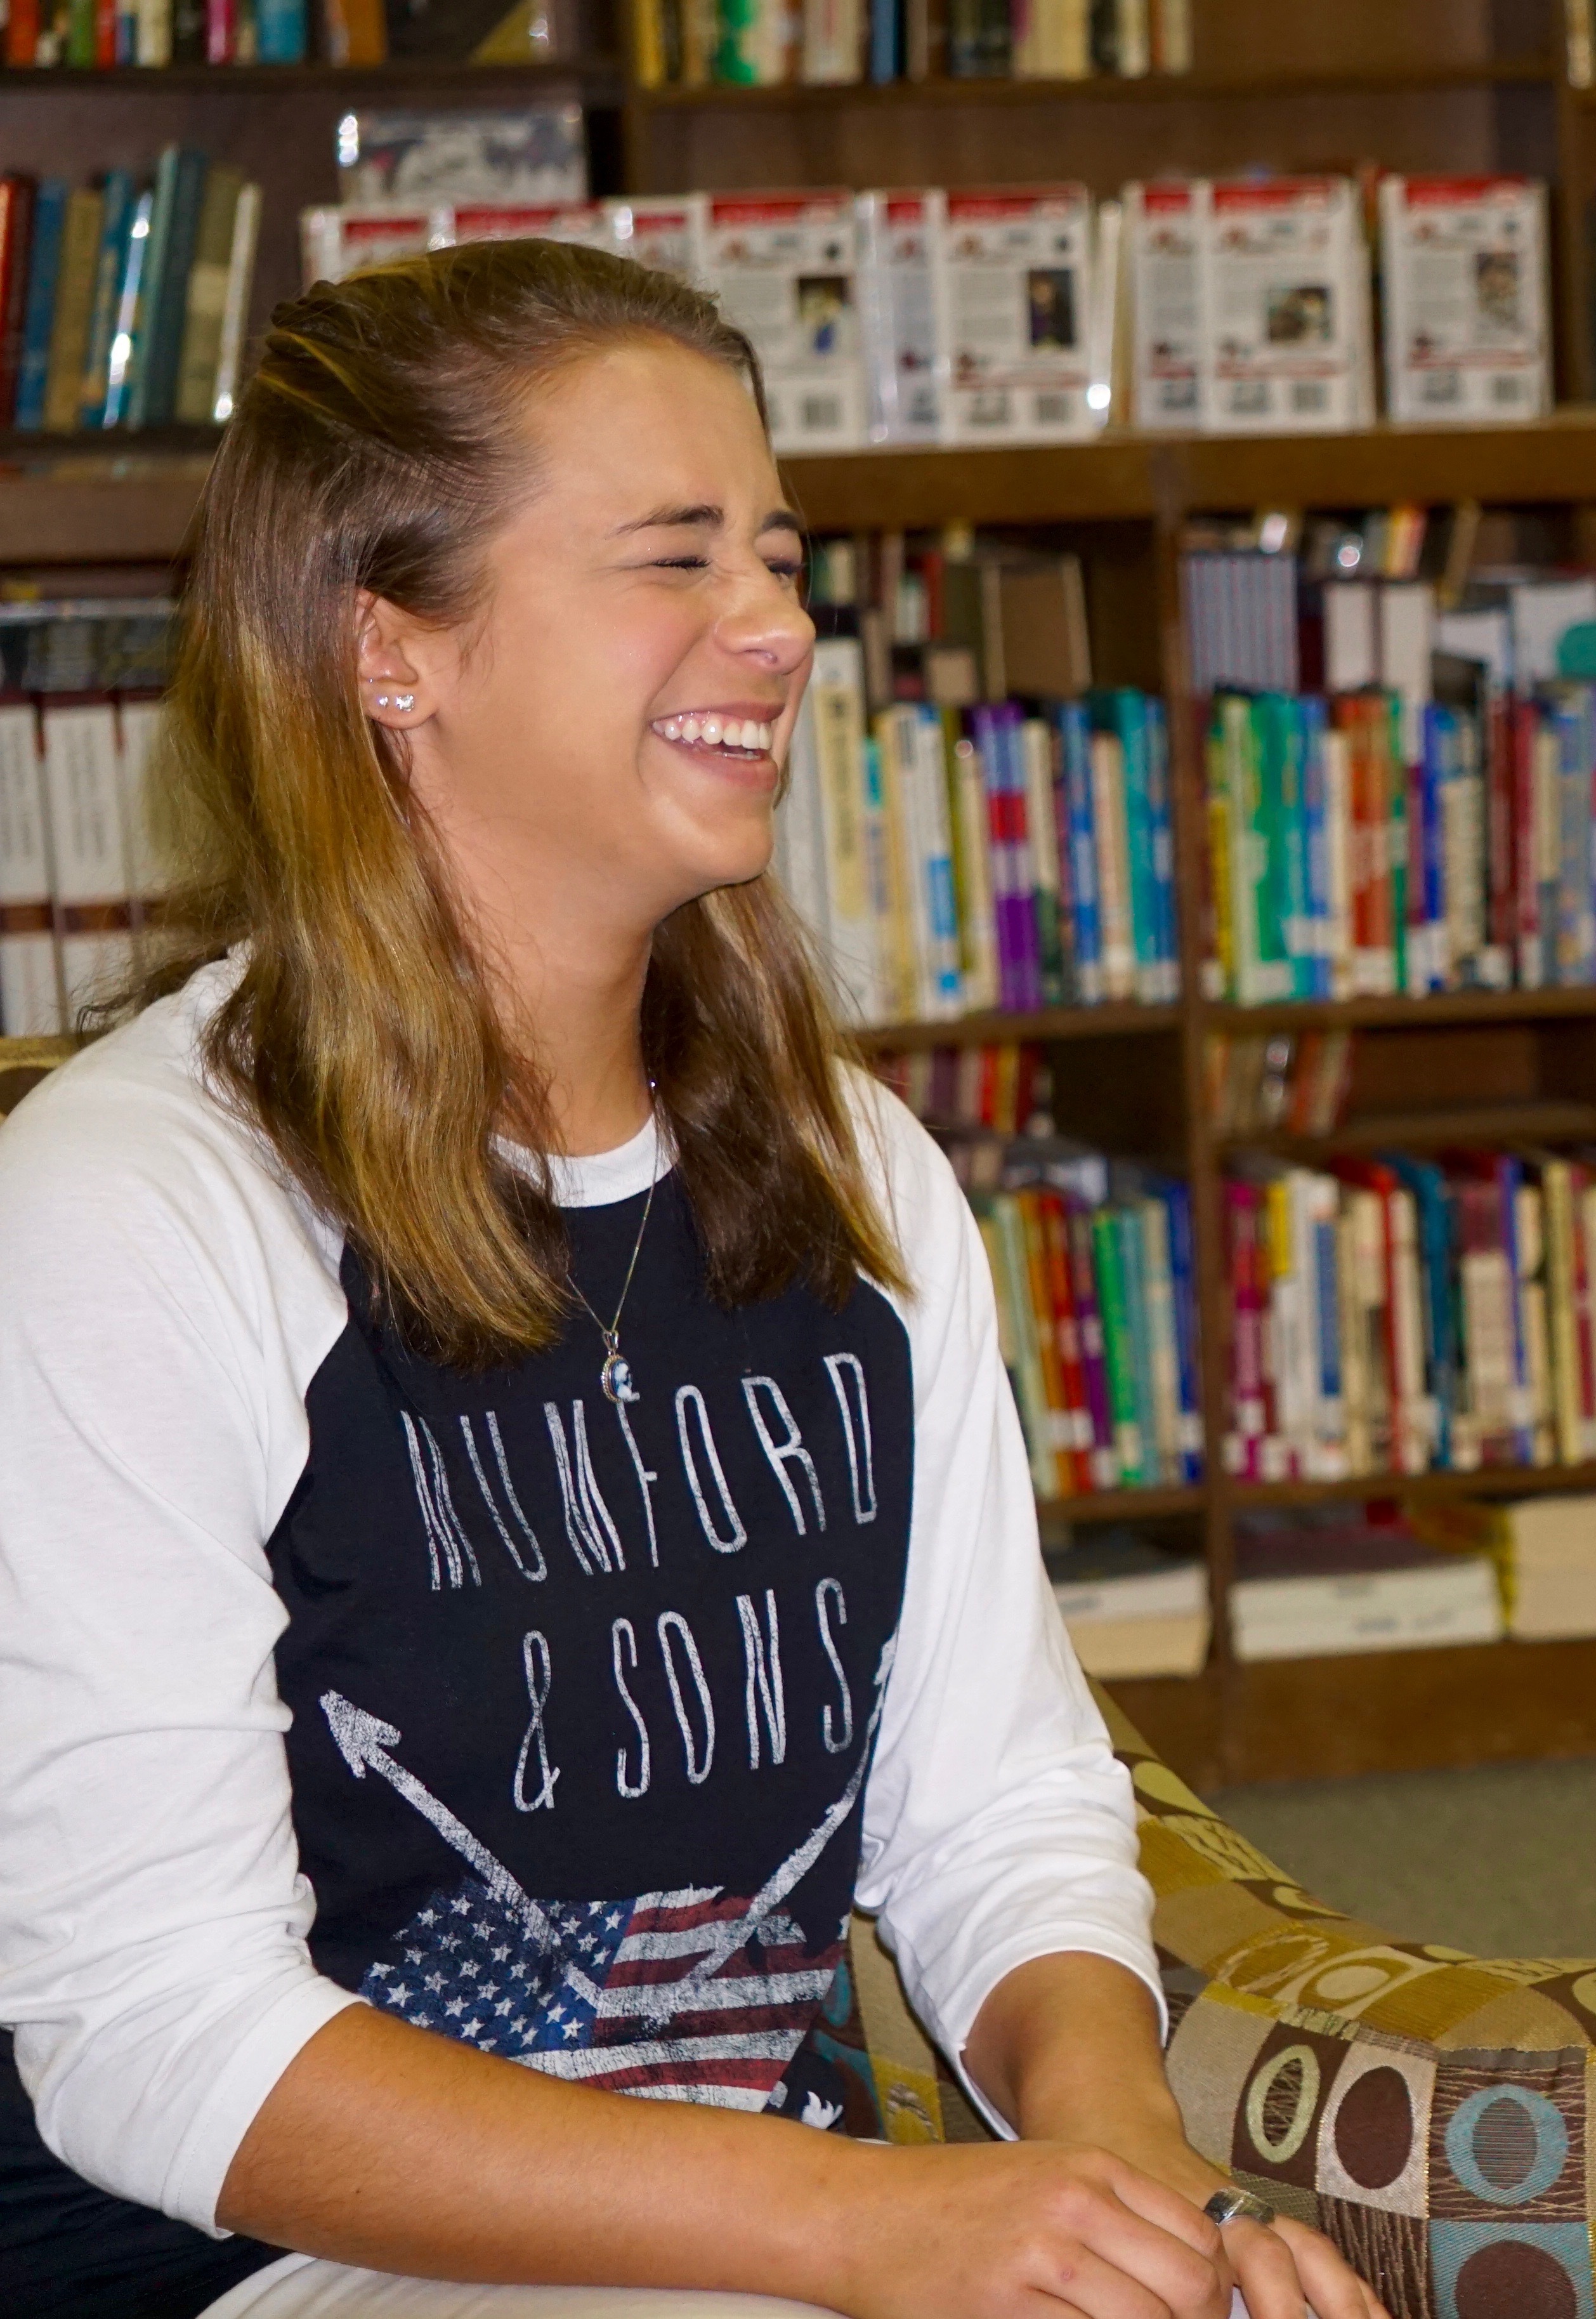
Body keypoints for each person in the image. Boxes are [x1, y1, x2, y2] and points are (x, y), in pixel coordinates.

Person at [0, 241, 1382, 2319]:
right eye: (676, 558)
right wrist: (860, 2222)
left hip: (761, 2235)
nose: (780, 627)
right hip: (268, 2263)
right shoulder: (134, 1206)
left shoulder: (856, 1168)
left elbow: (995, 1809)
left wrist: (1131, 2191)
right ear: (392, 649)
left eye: (781, 556)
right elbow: (157, 2037)